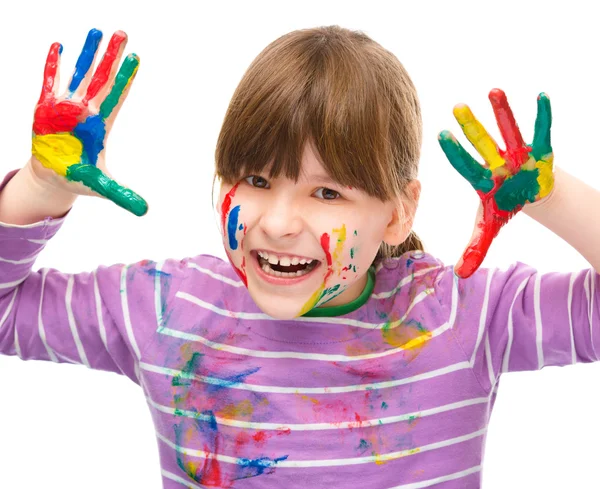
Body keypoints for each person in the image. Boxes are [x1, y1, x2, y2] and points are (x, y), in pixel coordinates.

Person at [0, 25, 598, 489]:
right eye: (256, 179)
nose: (279, 222)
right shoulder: (166, 307)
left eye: (327, 192)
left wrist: (552, 198)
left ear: (397, 213)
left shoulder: (459, 314)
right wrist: (40, 188)